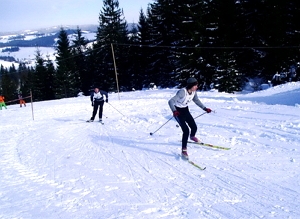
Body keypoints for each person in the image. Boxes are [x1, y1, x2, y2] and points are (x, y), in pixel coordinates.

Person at [168, 77, 212, 159]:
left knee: (194, 127)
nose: (197, 87)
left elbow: (196, 100)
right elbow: (171, 101)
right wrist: (174, 111)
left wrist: (205, 108)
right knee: (186, 130)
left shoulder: (194, 92)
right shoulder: (182, 92)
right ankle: (184, 150)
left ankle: (192, 137)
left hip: (185, 110)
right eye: (195, 85)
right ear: (191, 85)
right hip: (178, 112)